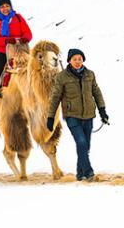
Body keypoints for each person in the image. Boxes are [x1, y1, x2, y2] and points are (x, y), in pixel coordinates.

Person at [47, 48, 109, 182]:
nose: (77, 62)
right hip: (72, 115)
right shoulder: (62, 77)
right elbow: (55, 97)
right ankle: (89, 172)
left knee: (86, 146)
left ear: (83, 60)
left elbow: (96, 93)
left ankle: (80, 174)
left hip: (88, 115)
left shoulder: (90, 75)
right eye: (74, 59)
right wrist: (50, 117)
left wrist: (102, 111)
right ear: (69, 61)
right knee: (81, 143)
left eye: (79, 59)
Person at [0, 0, 32, 98]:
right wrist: (7, 41)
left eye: (7, 6)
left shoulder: (18, 18)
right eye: (2, 7)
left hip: (21, 50)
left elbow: (28, 33)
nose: (5, 8)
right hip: (3, 51)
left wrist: (24, 39)